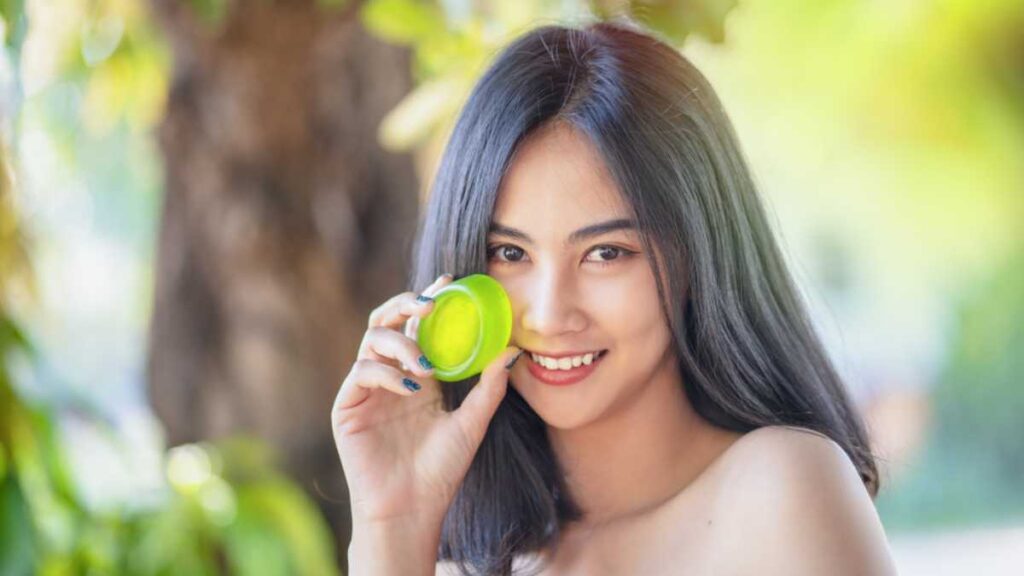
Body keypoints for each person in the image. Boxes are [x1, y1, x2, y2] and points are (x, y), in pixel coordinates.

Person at [332, 19, 897, 576]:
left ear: (698, 254)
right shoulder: (459, 566)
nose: (550, 315)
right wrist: (393, 526)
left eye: (605, 253)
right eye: (510, 253)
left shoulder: (782, 489)